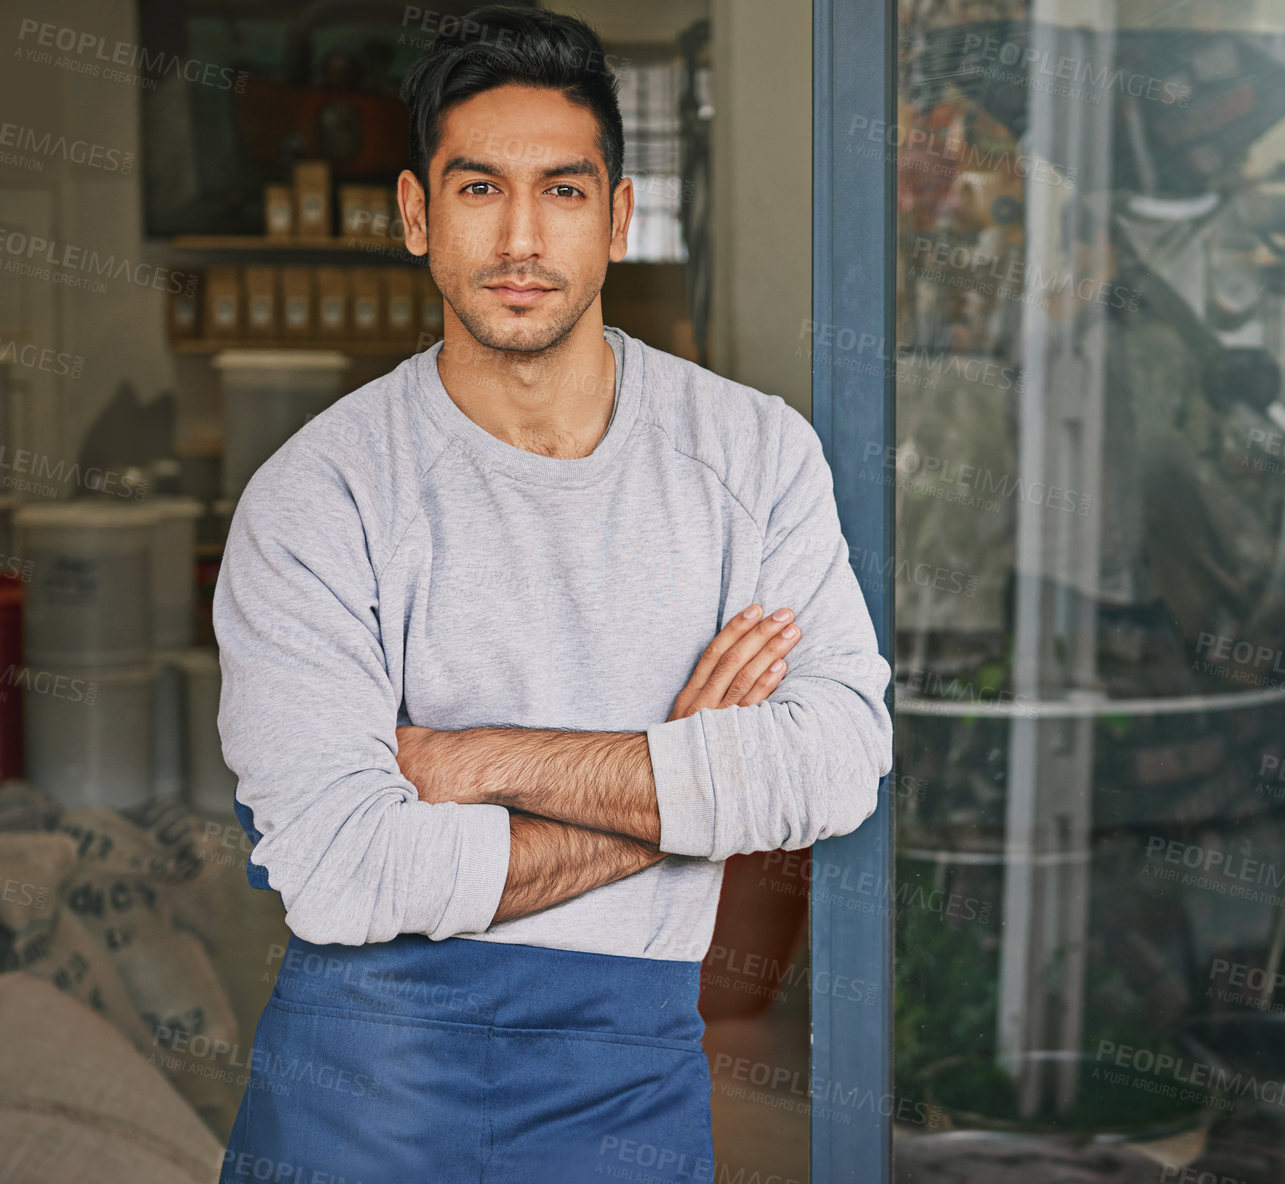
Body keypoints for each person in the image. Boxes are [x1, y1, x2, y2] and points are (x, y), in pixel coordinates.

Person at [213, 7, 892, 1181]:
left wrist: (484, 757)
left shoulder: (752, 454)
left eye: (563, 192)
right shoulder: (320, 496)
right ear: (417, 214)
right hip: (365, 1087)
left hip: (630, 1081)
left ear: (618, 216)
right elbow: (341, 866)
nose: (521, 237)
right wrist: (690, 781)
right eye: (479, 190)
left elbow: (836, 759)